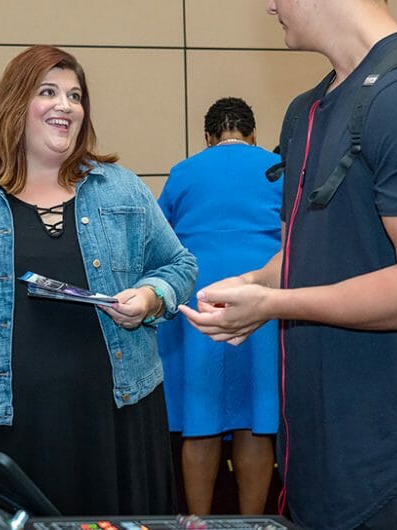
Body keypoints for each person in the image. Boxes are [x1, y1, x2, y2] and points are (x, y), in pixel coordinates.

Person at [181, 1, 397, 528]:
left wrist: (274, 303)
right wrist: (254, 283)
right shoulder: (309, 108)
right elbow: (308, 251)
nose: (270, 5)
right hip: (317, 459)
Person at [0, 45, 197, 516]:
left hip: (113, 419)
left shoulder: (121, 188)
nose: (66, 105)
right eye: (49, 92)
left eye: (75, 96)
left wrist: (151, 297)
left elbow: (179, 266)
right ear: (16, 103)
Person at [157, 97, 282, 515]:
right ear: (253, 134)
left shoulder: (183, 171)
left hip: (201, 299)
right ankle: (253, 523)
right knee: (256, 420)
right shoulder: (276, 168)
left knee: (201, 420)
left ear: (208, 137)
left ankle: (197, 523)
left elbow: (160, 237)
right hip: (261, 297)